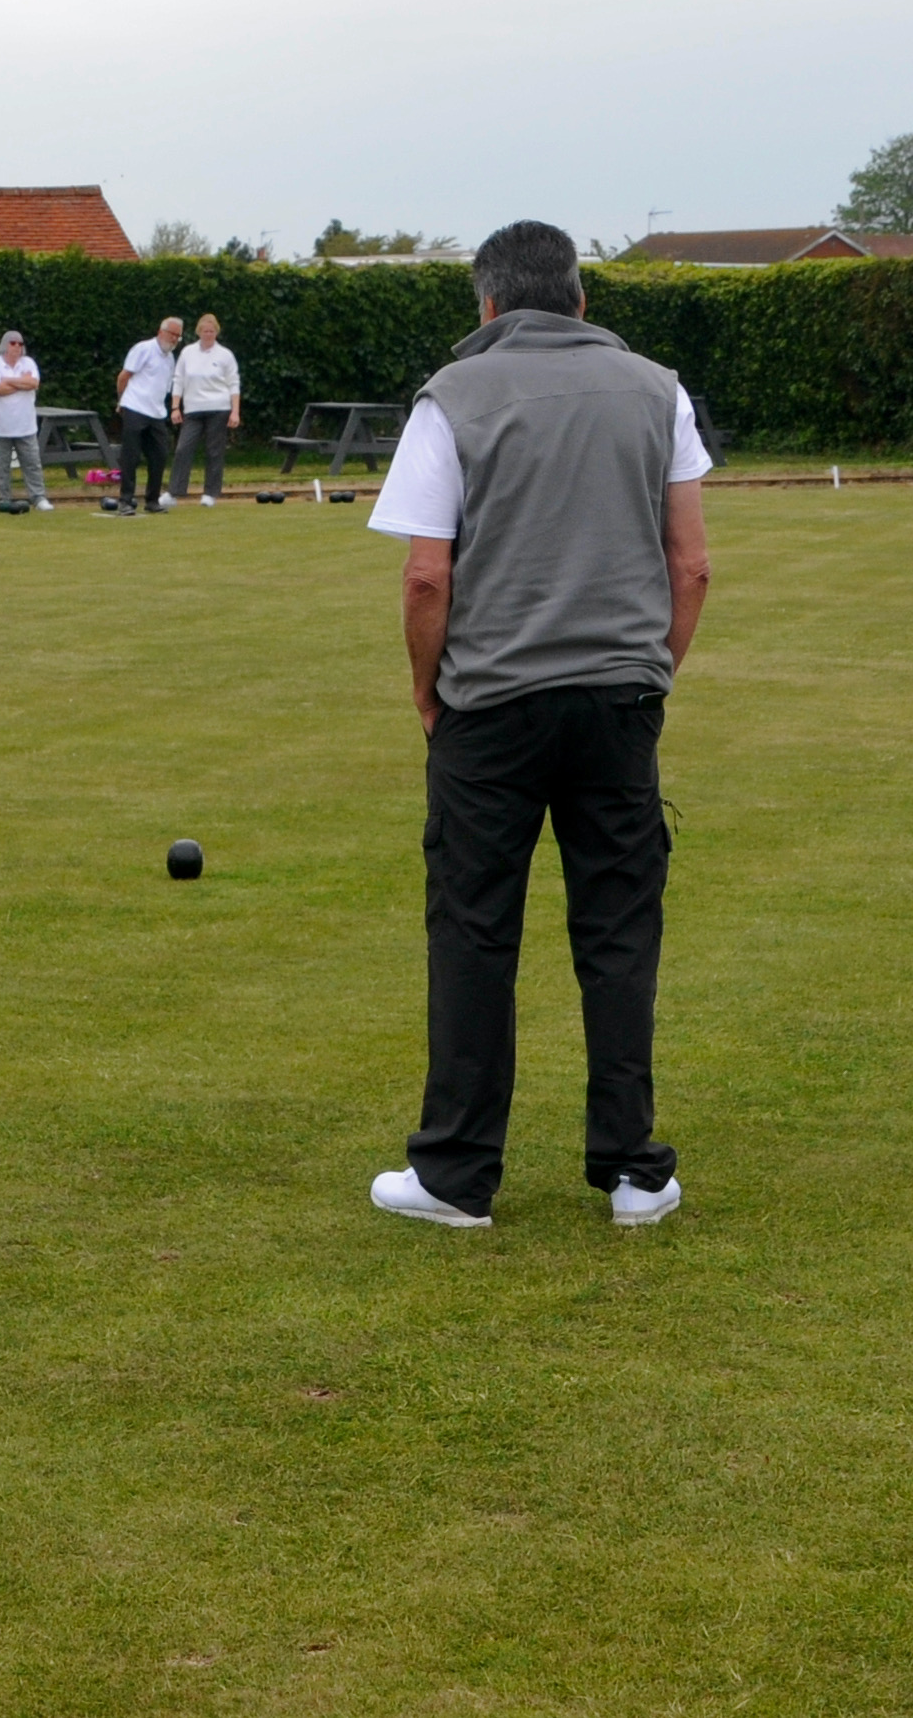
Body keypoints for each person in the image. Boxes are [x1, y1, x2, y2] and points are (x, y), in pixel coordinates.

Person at [365, 221, 713, 1230]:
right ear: (580, 300)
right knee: (618, 931)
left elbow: (428, 572)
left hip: (491, 703)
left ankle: (457, 1174)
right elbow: (690, 564)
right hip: (618, 700)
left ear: (485, 305)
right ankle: (634, 1170)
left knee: (475, 930)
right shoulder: (660, 389)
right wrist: (652, 675)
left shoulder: (453, 397)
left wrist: (429, 691)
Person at [110, 317, 183, 516]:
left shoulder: (170, 358)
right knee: (130, 456)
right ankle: (125, 501)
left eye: (178, 336)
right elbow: (123, 376)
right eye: (172, 334)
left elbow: (164, 387)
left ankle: (152, 500)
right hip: (134, 407)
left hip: (156, 412)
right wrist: (121, 401)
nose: (175, 339)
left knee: (159, 455)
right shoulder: (143, 349)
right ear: (161, 331)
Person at [171, 313, 242, 507]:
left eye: (211, 331)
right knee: (183, 449)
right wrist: (175, 406)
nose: (208, 334)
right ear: (199, 332)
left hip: (219, 408)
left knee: (214, 451)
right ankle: (175, 492)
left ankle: (210, 493)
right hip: (193, 409)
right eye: (205, 331)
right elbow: (178, 379)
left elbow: (234, 384)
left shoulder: (225, 354)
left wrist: (235, 411)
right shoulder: (187, 352)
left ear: (216, 332)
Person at [0, 328, 49, 512]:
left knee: (32, 463)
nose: (17, 347)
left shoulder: (29, 363)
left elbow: (34, 384)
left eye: (20, 343)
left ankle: (38, 497)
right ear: (5, 345)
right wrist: (21, 383)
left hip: (25, 425)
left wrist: (8, 380)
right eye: (13, 343)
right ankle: (4, 499)